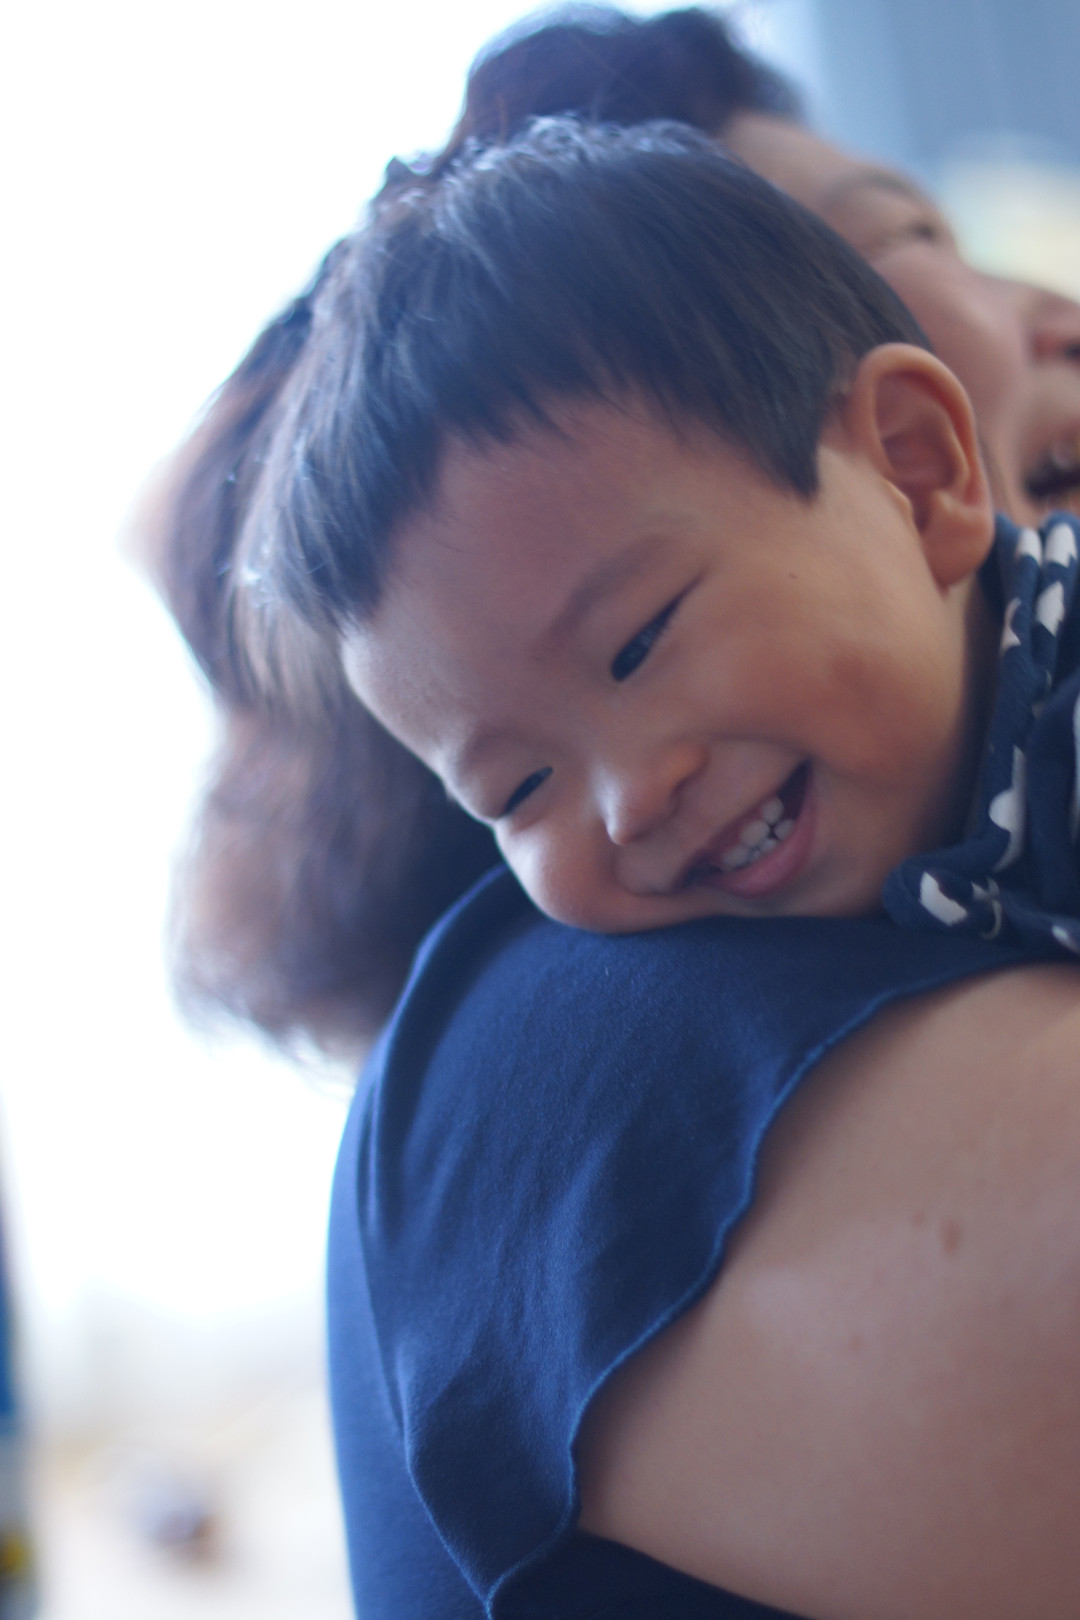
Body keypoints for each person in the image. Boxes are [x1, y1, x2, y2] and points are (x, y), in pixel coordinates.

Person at [186, 118, 1080, 1616]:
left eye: (639, 642)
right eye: (519, 786)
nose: (628, 796)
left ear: (919, 472)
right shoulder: (563, 1034)